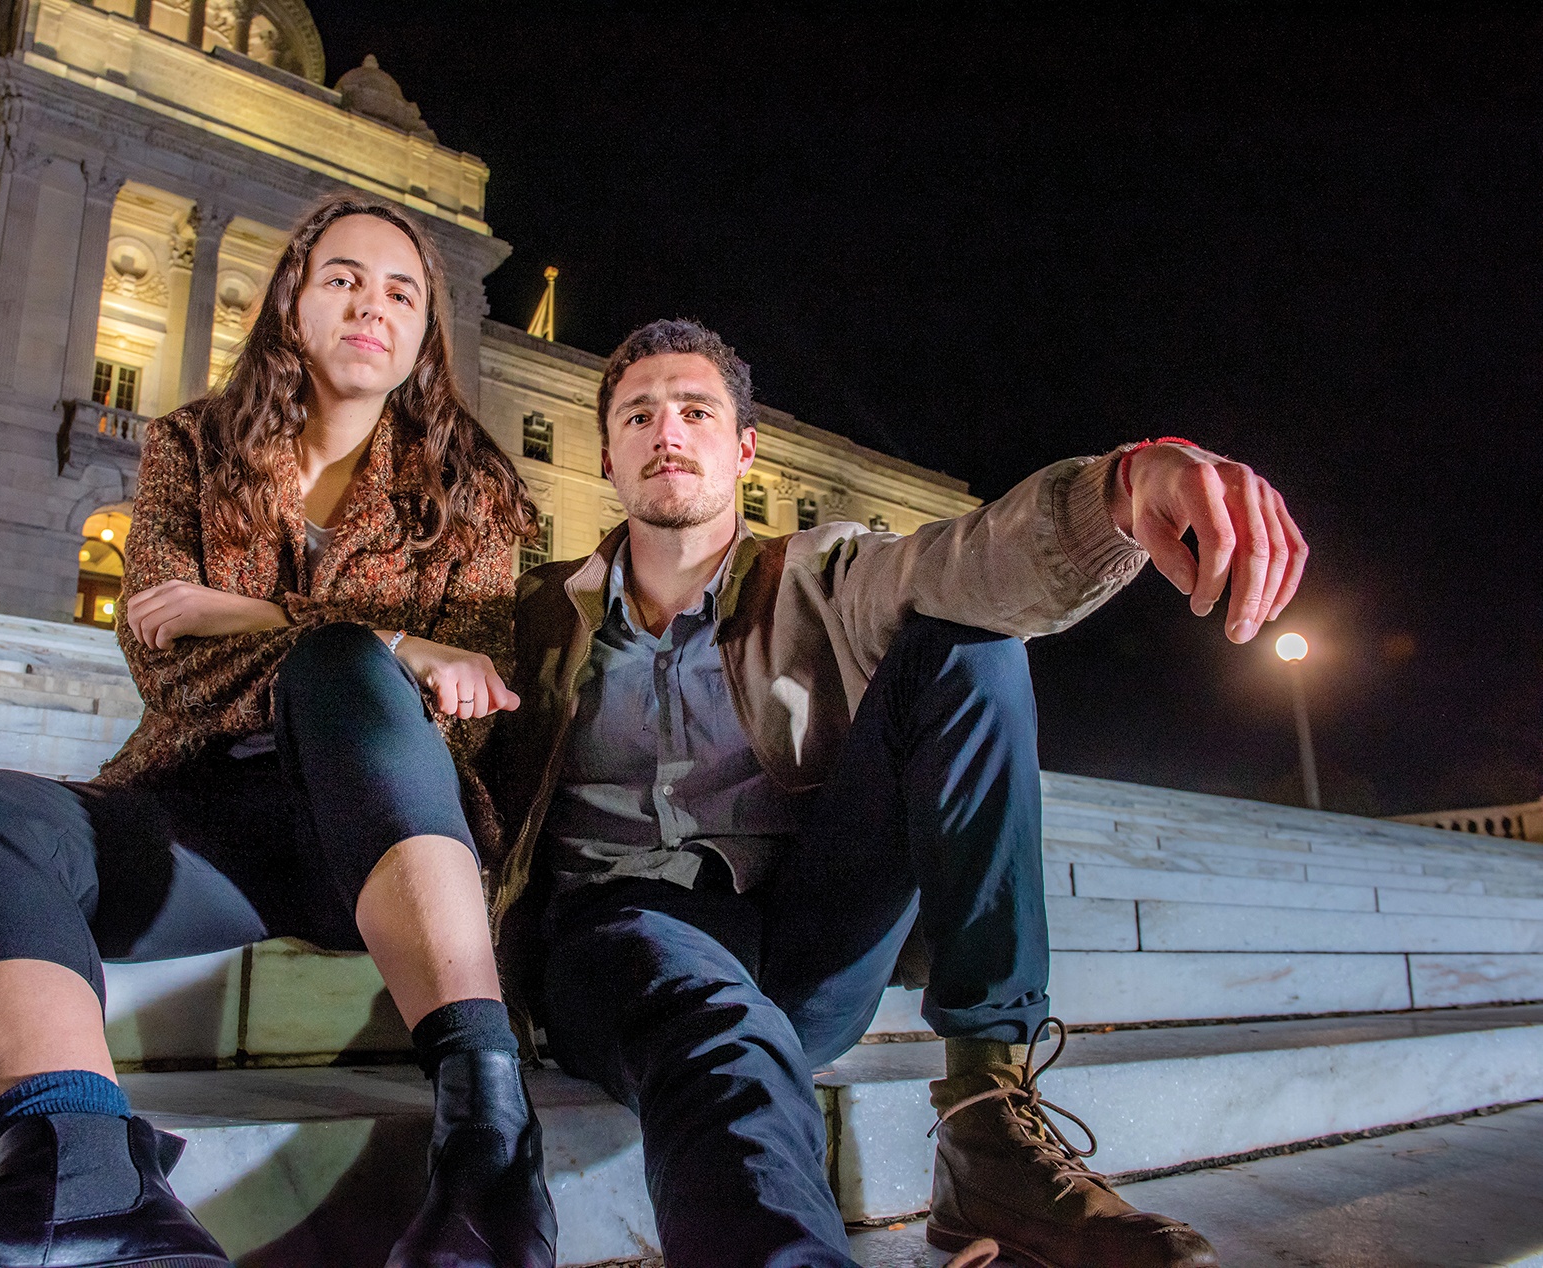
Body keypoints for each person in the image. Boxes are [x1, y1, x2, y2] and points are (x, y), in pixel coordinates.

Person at [0, 197, 556, 1268]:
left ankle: (488, 1143)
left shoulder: (474, 492)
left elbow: (459, 711)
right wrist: (391, 636)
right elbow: (162, 651)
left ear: (427, 332)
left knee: (343, 674)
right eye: (342, 277)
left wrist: (290, 632)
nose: (370, 306)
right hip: (208, 820)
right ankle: (82, 1180)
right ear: (290, 298)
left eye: (401, 291)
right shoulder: (190, 444)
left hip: (386, 843)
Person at [486, 319, 1306, 1268]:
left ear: (744, 448)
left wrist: (1127, 484)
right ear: (608, 453)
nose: (667, 431)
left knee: (968, 639)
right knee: (707, 1022)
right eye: (639, 415)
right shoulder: (534, 615)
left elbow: (964, 563)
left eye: (695, 411)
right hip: (620, 945)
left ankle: (989, 1124)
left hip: (798, 937)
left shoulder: (818, 576)